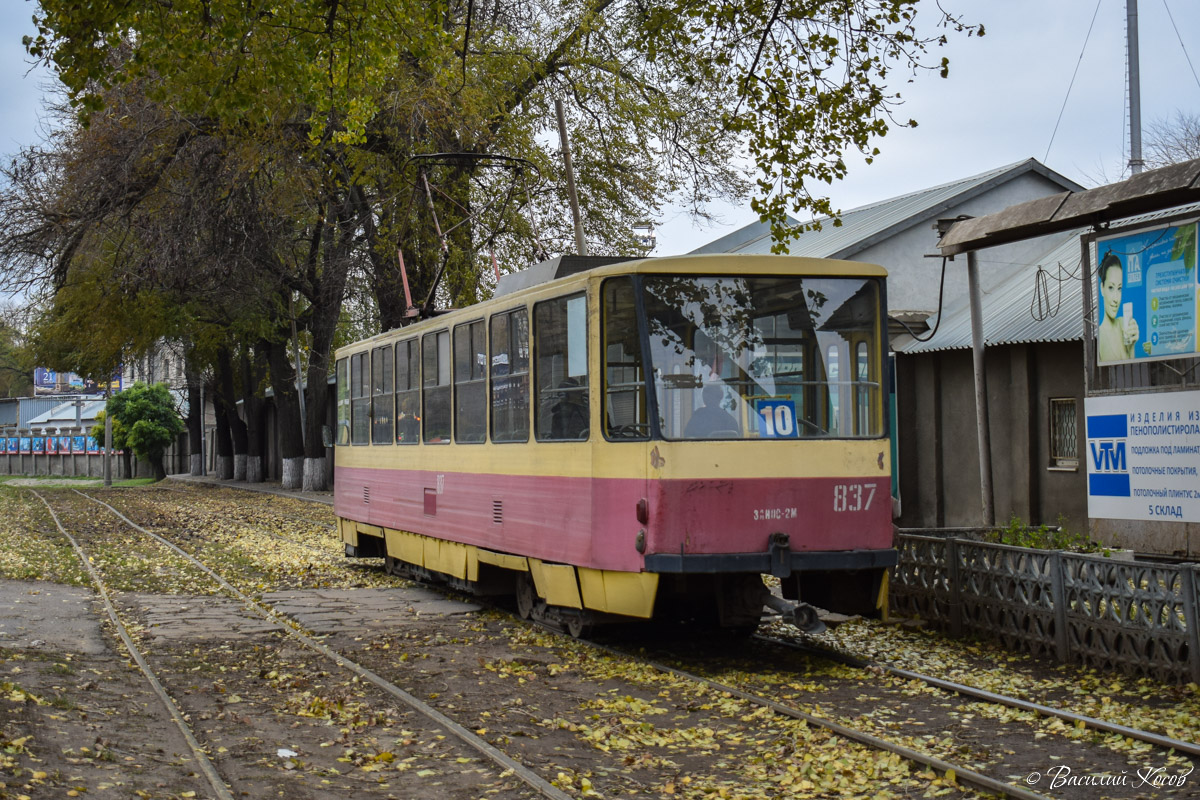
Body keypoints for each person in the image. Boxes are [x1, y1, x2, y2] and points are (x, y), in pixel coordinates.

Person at [1097, 251, 1139, 362]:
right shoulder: (1100, 336)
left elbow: (1133, 370)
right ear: (1102, 288)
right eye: (1111, 287)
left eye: (1119, 288)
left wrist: (1132, 346)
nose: (1116, 299)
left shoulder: (1124, 324)